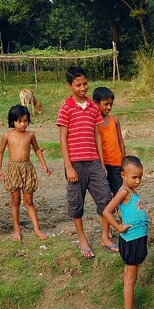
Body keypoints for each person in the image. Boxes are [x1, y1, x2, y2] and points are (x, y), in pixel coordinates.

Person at [57, 66, 116, 259]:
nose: (82, 88)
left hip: (94, 162)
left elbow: (97, 136)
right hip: (75, 164)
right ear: (70, 86)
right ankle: (82, 239)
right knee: (76, 203)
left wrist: (101, 162)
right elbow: (63, 139)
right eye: (78, 85)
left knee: (105, 197)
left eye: (85, 84)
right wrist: (68, 166)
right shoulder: (66, 108)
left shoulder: (93, 108)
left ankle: (105, 237)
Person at [102, 156, 151, 309]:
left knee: (130, 278)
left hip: (136, 239)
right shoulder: (124, 191)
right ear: (123, 175)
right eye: (134, 177)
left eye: (140, 177)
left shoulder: (131, 191)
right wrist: (118, 227)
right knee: (130, 279)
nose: (138, 181)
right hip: (131, 240)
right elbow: (107, 211)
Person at [0, 104, 52, 241]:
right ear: (12, 121)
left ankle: (37, 228)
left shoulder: (30, 135)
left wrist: (44, 165)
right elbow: (0, 152)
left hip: (27, 169)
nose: (23, 124)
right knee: (15, 201)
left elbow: (37, 150)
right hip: (13, 169)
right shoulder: (7, 136)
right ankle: (16, 229)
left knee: (29, 201)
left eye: (25, 121)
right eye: (19, 121)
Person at [93, 87, 126, 196]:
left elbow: (120, 141)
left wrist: (124, 161)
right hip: (102, 164)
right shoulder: (93, 123)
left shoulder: (115, 120)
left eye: (111, 104)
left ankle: (120, 213)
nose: (109, 107)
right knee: (105, 194)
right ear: (95, 103)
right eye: (106, 104)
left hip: (117, 163)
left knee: (119, 193)